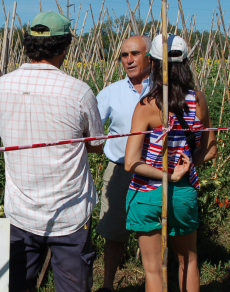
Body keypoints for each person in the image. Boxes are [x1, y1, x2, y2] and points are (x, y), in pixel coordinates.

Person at [0, 11, 104, 292]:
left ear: (28, 43)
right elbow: (96, 144)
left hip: (20, 211)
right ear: (65, 47)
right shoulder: (78, 91)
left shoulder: (3, 85)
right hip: (69, 212)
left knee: (18, 285)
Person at [124, 34, 217, 292]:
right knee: (189, 259)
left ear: (153, 64)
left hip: (146, 193)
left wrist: (167, 176)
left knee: (153, 269)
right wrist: (185, 167)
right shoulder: (197, 100)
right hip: (182, 193)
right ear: (185, 63)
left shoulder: (147, 105)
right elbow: (210, 149)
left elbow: (131, 163)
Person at [94, 35, 152, 292]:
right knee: (114, 233)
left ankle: (157, 282)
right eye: (124, 55)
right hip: (119, 171)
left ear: (149, 56)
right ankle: (107, 286)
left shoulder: (164, 89)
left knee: (155, 231)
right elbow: (90, 126)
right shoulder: (111, 92)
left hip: (155, 172)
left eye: (135, 54)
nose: (128, 60)